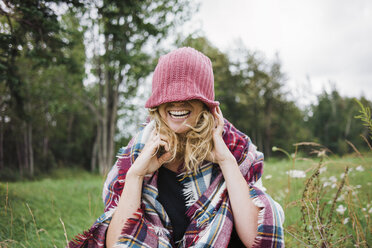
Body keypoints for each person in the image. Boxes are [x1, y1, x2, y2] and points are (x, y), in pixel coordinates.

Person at [69, 47, 284, 248]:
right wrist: (136, 175)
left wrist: (226, 161)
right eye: (168, 96)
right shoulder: (140, 150)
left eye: (188, 95)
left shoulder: (234, 148)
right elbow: (118, 243)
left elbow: (257, 239)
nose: (177, 103)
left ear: (206, 104)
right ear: (157, 104)